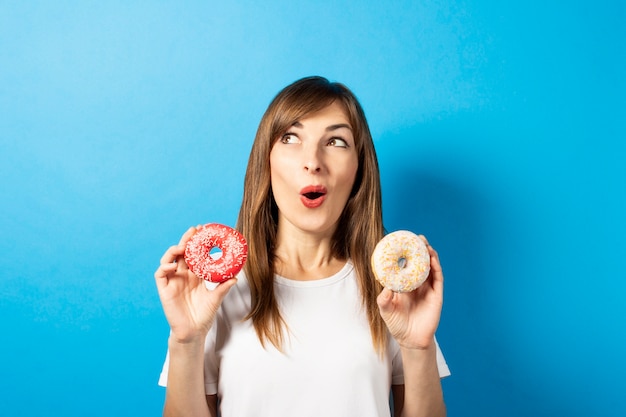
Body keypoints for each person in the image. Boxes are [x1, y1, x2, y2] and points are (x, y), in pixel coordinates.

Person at [155, 76, 450, 417]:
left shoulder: (391, 293)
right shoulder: (216, 292)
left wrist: (418, 347)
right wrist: (187, 341)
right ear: (265, 160)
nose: (313, 161)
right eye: (290, 137)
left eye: (337, 141)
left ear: (359, 169)